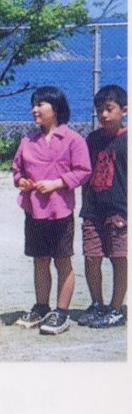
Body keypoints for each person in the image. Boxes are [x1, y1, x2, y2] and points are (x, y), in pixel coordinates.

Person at [12, 86, 91, 335]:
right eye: (33, 105)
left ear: (55, 108)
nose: (34, 110)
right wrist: (21, 181)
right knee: (40, 260)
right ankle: (41, 306)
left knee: (63, 260)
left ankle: (61, 311)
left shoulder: (73, 139)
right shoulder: (27, 141)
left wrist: (57, 183)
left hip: (61, 211)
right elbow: (17, 170)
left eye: (40, 104)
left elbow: (83, 171)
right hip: (34, 211)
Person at [77, 85, 127, 329]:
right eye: (99, 110)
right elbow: (85, 175)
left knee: (119, 258)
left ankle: (116, 308)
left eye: (109, 109)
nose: (104, 115)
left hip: (119, 212)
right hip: (93, 209)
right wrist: (85, 205)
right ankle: (97, 303)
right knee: (92, 256)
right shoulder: (93, 140)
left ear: (124, 110)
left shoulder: (126, 140)